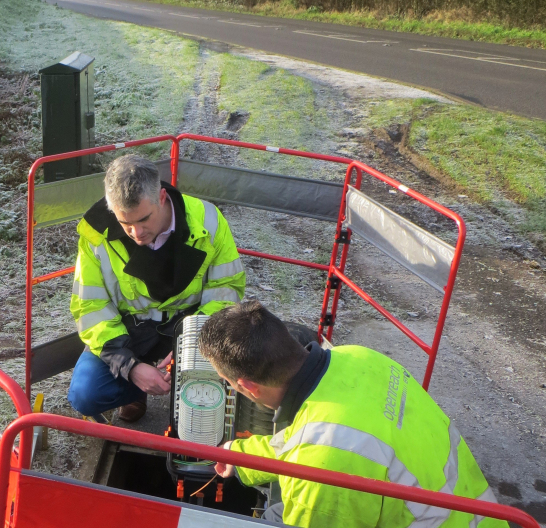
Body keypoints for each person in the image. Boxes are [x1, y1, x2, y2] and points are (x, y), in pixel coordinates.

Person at [199, 300, 506, 528]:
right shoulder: (357, 357)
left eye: (229, 383)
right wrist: (240, 456)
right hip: (479, 515)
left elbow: (323, 450)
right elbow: (315, 439)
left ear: (248, 387)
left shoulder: (321, 471)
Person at [68, 154, 245, 422]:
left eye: (144, 219)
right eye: (125, 223)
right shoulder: (95, 233)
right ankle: (137, 390)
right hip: (127, 331)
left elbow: (226, 288)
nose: (136, 233)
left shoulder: (208, 220)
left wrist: (194, 342)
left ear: (162, 197)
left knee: (232, 375)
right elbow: (90, 306)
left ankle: (186, 388)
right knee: (85, 395)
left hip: (189, 326)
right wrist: (131, 368)